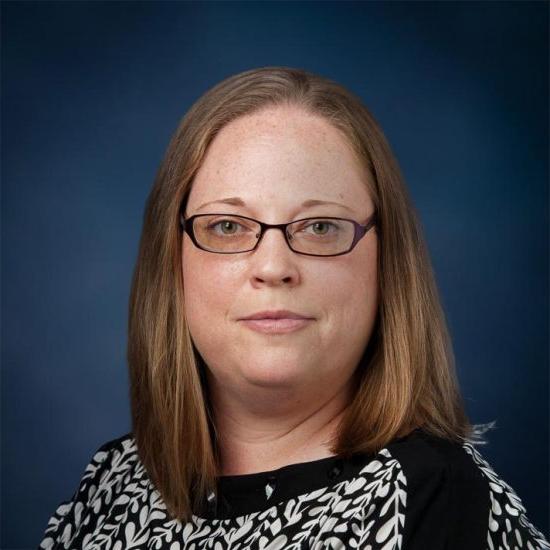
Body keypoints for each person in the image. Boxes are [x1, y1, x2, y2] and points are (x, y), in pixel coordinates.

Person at [39, 66, 549, 549]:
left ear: (386, 262)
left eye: (320, 226)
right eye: (228, 226)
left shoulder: (436, 499)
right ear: (171, 263)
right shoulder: (113, 484)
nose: (274, 266)